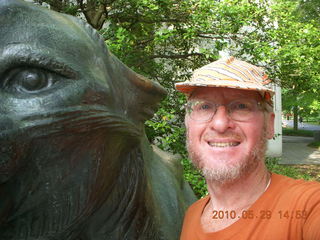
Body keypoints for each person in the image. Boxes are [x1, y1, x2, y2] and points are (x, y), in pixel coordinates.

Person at [175, 56, 320, 240]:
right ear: (188, 125)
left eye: (241, 106)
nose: (220, 124)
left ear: (269, 125)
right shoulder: (192, 215)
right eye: (204, 106)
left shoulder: (309, 207)